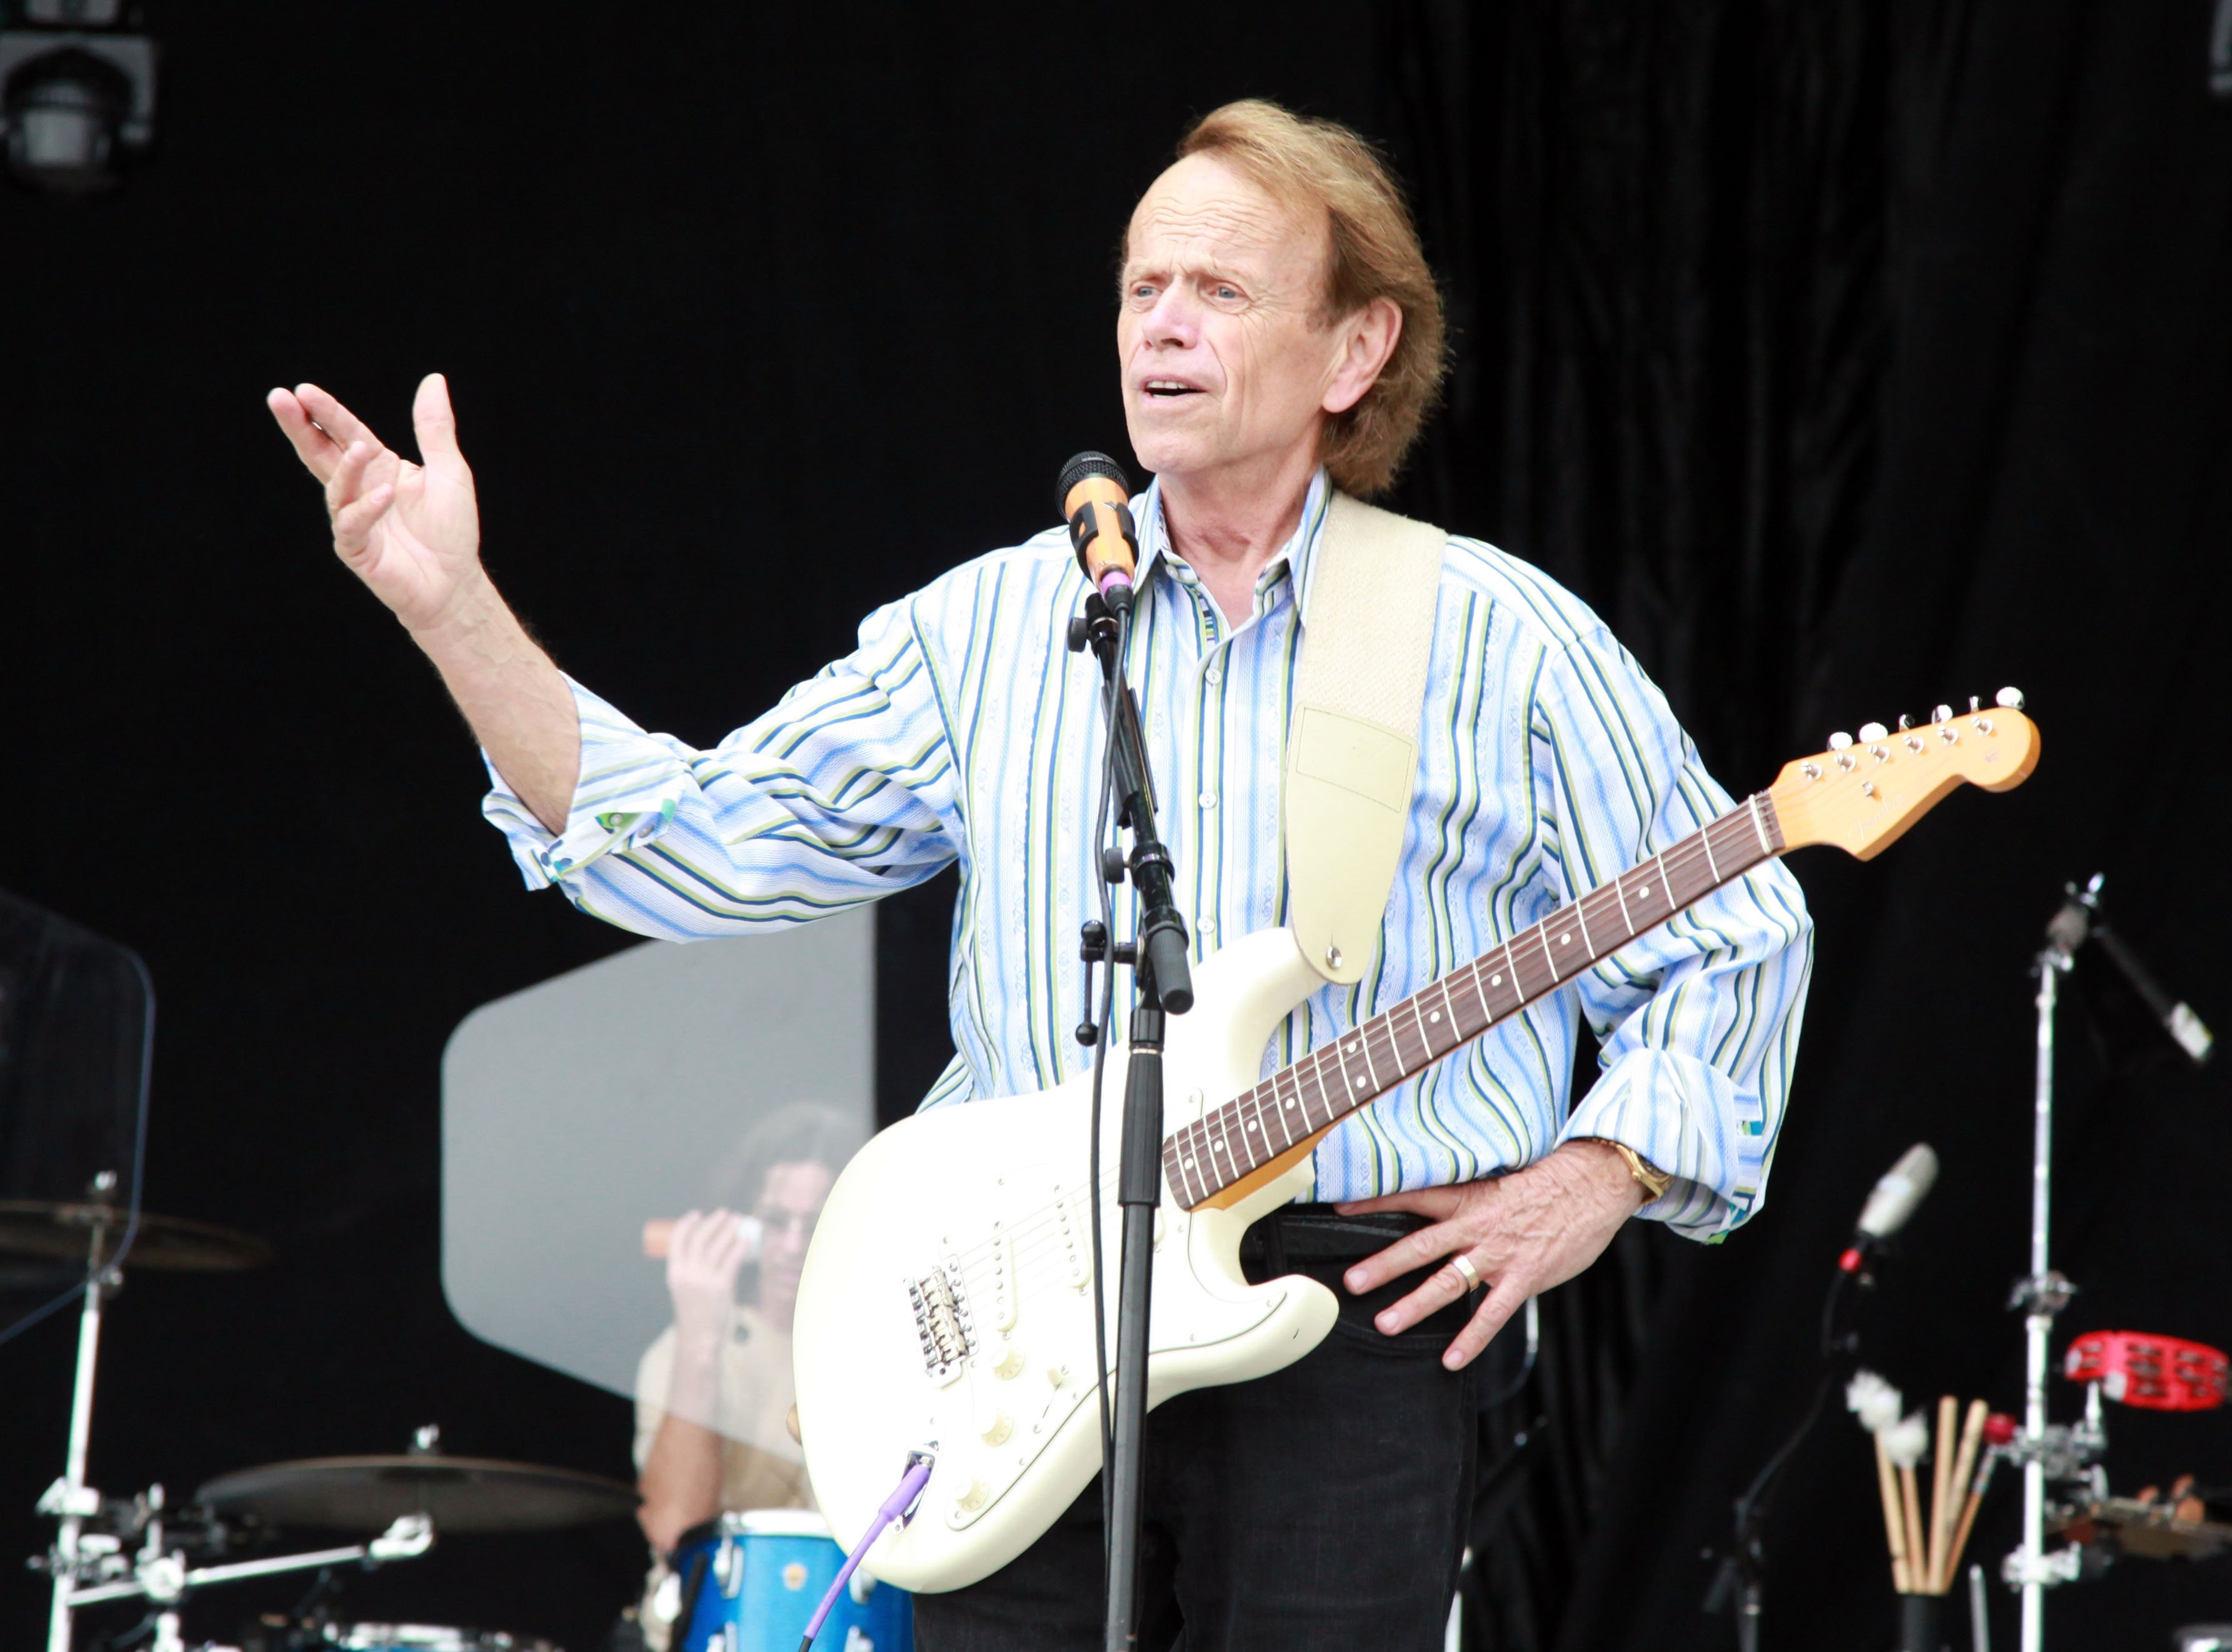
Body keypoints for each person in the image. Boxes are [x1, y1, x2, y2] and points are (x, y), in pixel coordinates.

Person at [268, 99, 1810, 1651]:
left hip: (1354, 1316)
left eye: (1221, 291)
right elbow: (691, 848)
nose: (1163, 324)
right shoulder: (993, 626)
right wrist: (451, 608)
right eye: (1143, 288)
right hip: (1012, 1317)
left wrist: (1597, 1173)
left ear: (1355, 353)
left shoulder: (1499, 636)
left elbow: (1735, 919)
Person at [627, 1103, 860, 1652]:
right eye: (777, 1222)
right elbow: (674, 1527)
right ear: (742, 1224)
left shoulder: (876, 1343)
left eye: (817, 1222)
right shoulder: (681, 1351)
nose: (794, 1246)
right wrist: (700, 1334)